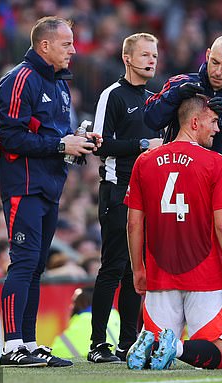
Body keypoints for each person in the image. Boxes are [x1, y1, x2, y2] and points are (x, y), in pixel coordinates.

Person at [0, 16, 101, 368]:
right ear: (45, 46)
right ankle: (11, 347)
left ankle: (29, 342)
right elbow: (9, 136)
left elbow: (53, 138)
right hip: (23, 184)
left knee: (36, 266)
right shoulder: (21, 79)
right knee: (23, 264)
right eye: (66, 44)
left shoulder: (58, 84)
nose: (73, 50)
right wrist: (59, 145)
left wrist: (79, 143)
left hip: (48, 184)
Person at [125, 96, 222, 370]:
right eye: (213, 121)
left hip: (159, 273)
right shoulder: (216, 162)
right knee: (216, 355)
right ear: (194, 122)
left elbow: (133, 224)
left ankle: (154, 341)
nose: (217, 129)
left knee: (157, 359)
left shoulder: (144, 161)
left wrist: (138, 269)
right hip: (205, 276)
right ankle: (175, 346)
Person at [87, 32, 163, 364]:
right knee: (114, 267)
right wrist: (144, 145)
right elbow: (100, 145)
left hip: (147, 194)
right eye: (145, 54)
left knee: (137, 270)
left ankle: (128, 343)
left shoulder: (153, 99)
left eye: (155, 55)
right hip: (118, 189)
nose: (152, 60)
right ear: (127, 58)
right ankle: (97, 344)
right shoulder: (113, 95)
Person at [144, 34, 222, 167]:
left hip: (215, 179)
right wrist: (176, 95)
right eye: (215, 62)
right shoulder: (178, 83)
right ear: (207, 55)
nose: (218, 72)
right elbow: (150, 119)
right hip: (174, 172)